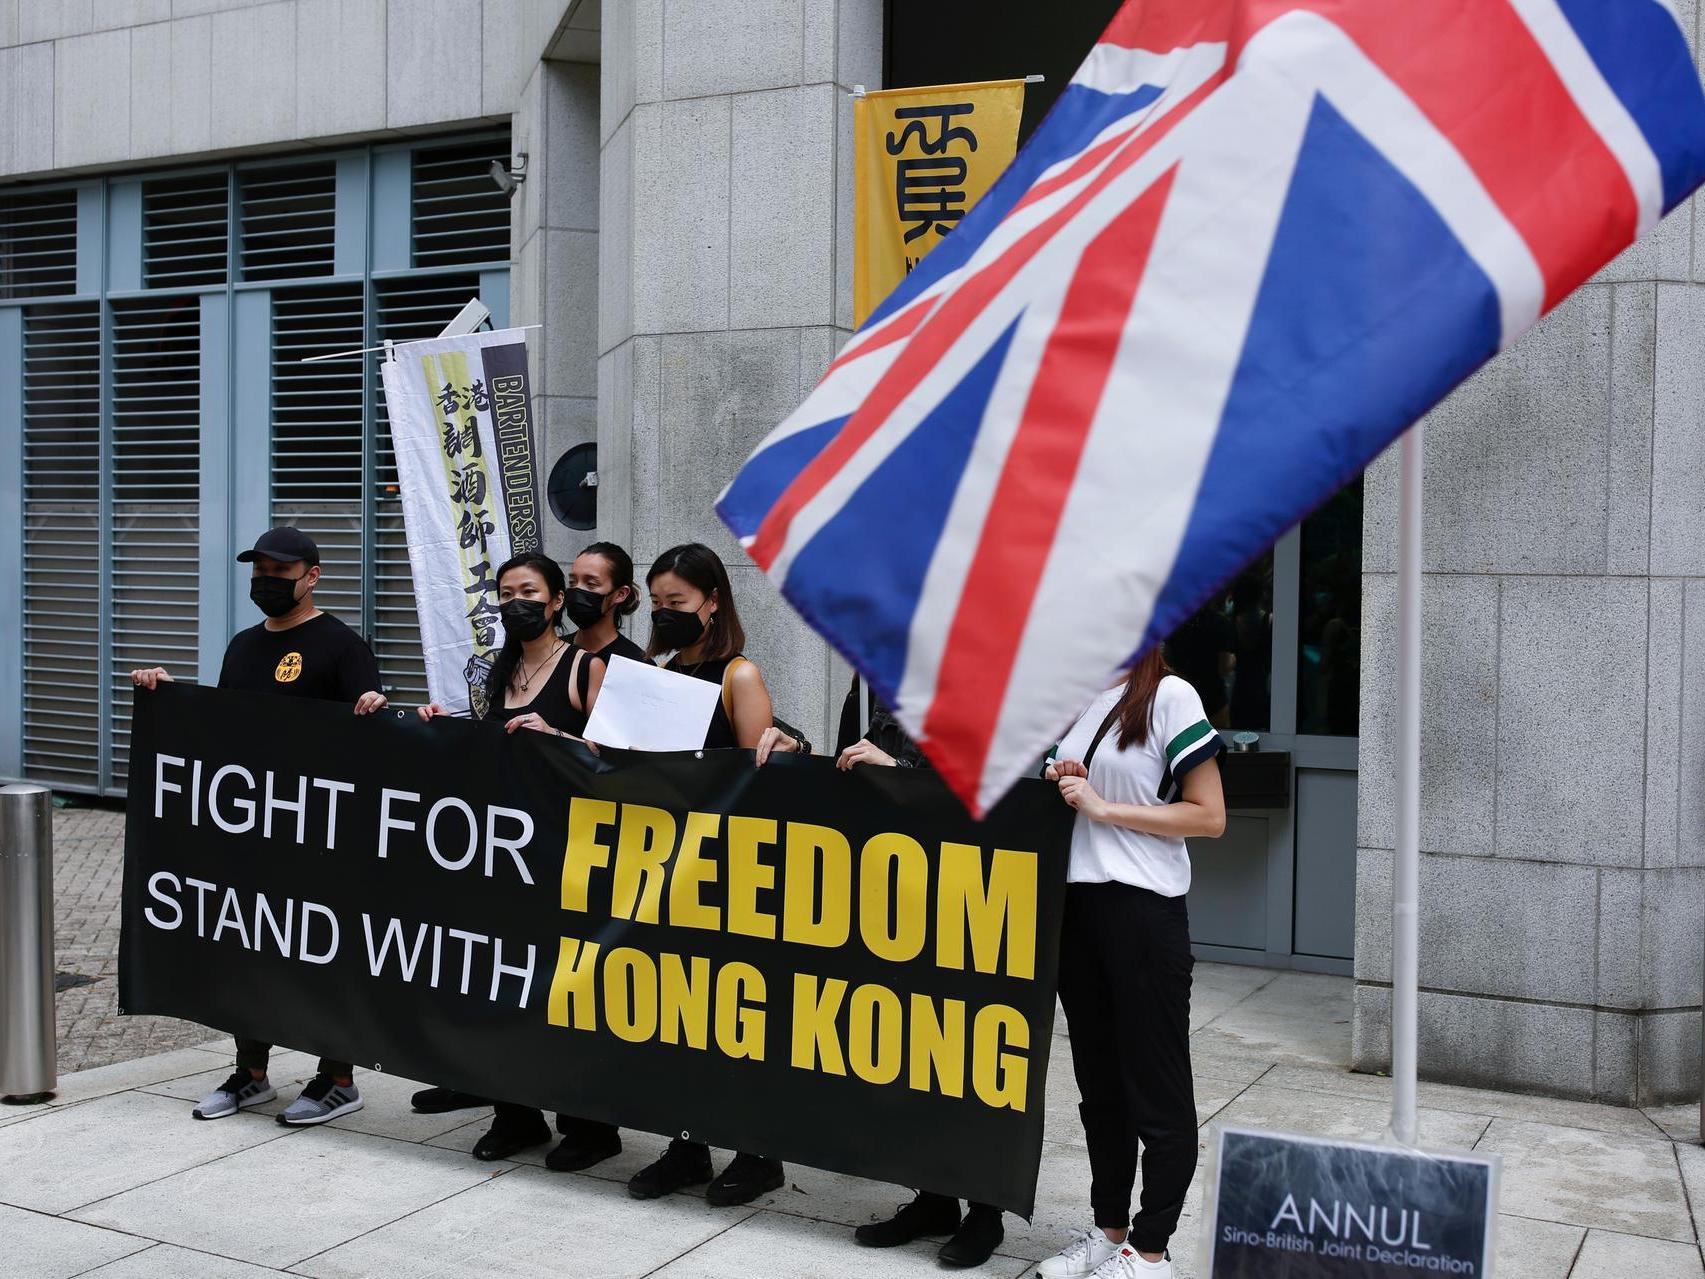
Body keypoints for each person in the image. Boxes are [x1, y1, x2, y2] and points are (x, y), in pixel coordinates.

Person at [130, 526, 387, 1128]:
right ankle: (251, 1073)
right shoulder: (243, 647)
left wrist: (374, 708)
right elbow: (221, 730)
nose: (267, 582)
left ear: (313, 577)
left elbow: (371, 741)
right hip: (251, 832)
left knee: (323, 950)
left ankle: (338, 1078)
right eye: (260, 572)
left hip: (320, 835)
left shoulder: (342, 646)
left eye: (281, 572)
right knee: (247, 947)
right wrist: (167, 699)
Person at [409, 548, 624, 1163]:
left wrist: (555, 738)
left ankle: (590, 1125)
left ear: (557, 601)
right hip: (506, 856)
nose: (515, 604)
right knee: (506, 985)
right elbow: (481, 752)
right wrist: (440, 724)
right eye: (505, 594)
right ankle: (515, 1112)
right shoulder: (492, 673)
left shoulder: (586, 668)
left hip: (569, 855)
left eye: (528, 592)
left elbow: (616, 760)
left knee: (569, 991)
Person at [784, 677, 1005, 1268]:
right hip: (894, 884)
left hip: (966, 891)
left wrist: (901, 766)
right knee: (911, 1048)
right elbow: (853, 761)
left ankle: (986, 1209)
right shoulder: (870, 669)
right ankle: (931, 1194)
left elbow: (993, 780)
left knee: (967, 1050)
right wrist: (805, 756)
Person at [1035, 649, 1226, 1279]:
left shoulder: (1171, 695)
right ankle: (1109, 1229)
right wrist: (1065, 780)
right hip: (1078, 910)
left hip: (1143, 912)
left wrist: (1103, 807)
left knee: (1157, 1086)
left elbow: (1209, 815)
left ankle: (1150, 1251)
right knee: (1100, 1087)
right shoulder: (1082, 697)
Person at [624, 542, 801, 1208]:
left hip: (729, 868)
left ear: (712, 601)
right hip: (666, 867)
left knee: (731, 1018)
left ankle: (756, 1152)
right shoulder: (660, 670)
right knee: (673, 1012)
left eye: (678, 603)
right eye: (658, 603)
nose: (666, 614)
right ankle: (686, 1144)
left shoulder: (739, 675)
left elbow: (760, 774)